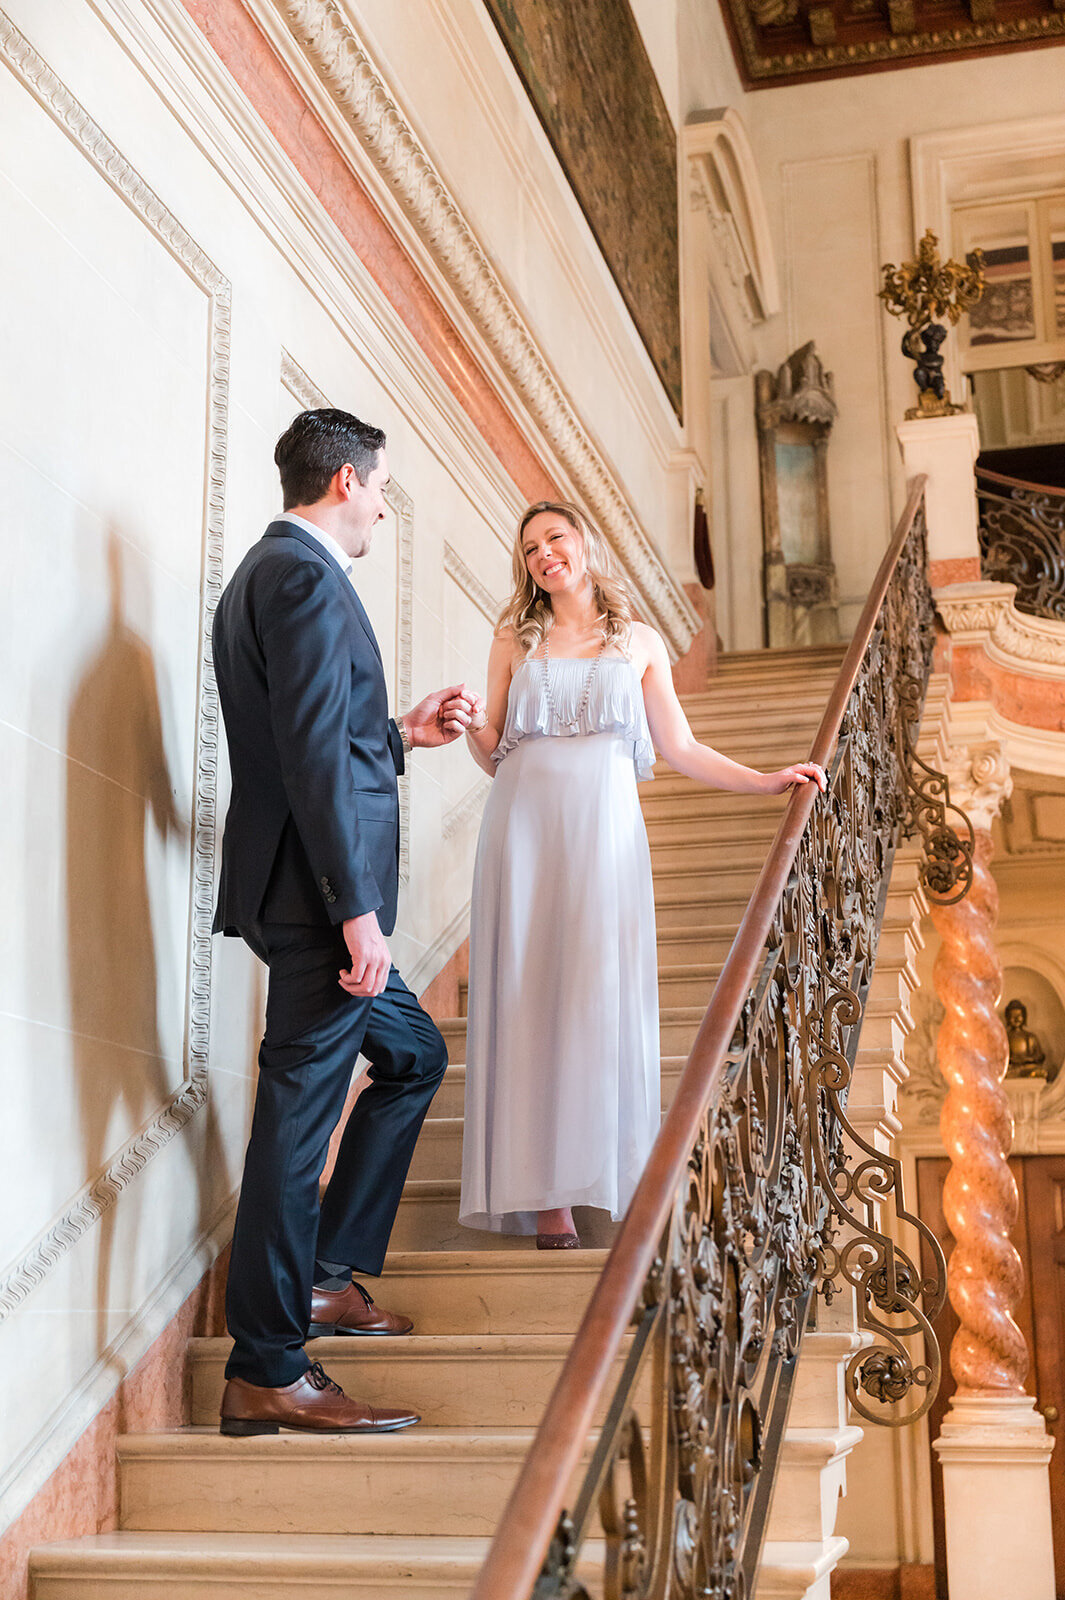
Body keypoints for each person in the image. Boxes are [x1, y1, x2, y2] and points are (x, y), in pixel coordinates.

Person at [211, 409, 482, 1434]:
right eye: (374, 487)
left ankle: (323, 1275)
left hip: (314, 899)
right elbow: (314, 759)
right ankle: (269, 1364)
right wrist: (357, 917)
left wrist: (401, 731)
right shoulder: (308, 578)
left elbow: (313, 735)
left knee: (413, 1054)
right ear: (341, 482)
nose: (378, 504)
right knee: (295, 1122)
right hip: (327, 908)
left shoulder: (268, 573)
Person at [458, 500, 826, 1248]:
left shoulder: (642, 642)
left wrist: (762, 780)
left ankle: (600, 1171)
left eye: (554, 538)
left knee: (596, 993)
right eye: (529, 549)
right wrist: (470, 725)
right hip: (522, 827)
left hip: (604, 831)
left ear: (583, 542)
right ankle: (545, 1199)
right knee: (529, 992)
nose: (543, 555)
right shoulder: (511, 638)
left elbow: (681, 747)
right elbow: (495, 750)